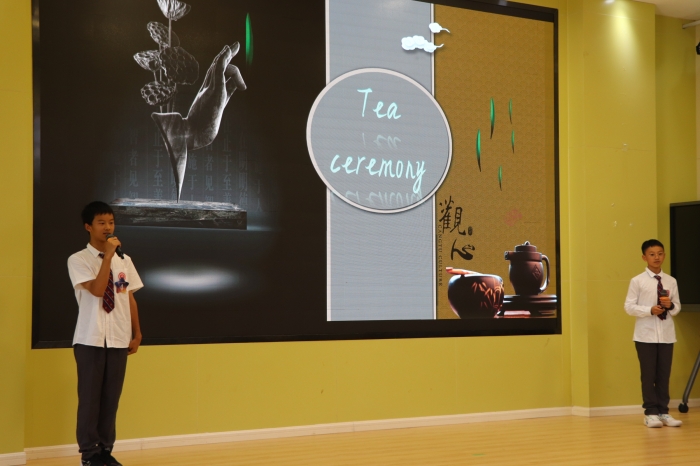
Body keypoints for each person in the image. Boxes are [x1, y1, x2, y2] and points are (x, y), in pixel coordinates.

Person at [67, 202, 144, 466]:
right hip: (90, 338)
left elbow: (128, 297)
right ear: (88, 227)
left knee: (111, 399)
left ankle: (105, 451)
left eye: (111, 222)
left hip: (119, 338)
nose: (108, 227)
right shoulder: (78, 259)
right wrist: (108, 257)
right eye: (101, 222)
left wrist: (137, 333)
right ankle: (89, 455)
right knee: (90, 400)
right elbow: (99, 290)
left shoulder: (125, 260)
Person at [624, 239, 682, 428]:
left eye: (660, 253)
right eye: (652, 254)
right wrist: (650, 310)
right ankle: (650, 413)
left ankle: (664, 412)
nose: (656, 257)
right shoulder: (638, 281)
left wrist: (670, 306)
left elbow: (677, 307)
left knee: (664, 375)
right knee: (649, 375)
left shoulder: (671, 281)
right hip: (645, 336)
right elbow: (629, 307)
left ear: (664, 255)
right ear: (644, 257)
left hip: (666, 335)